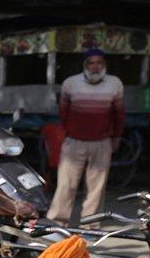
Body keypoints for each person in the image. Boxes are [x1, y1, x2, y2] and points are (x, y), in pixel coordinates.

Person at [45, 47, 124, 224]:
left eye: (99, 63)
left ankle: (91, 225)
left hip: (102, 142)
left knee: (96, 188)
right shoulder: (70, 83)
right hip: (74, 141)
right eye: (91, 63)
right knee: (66, 184)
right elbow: (63, 112)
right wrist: (69, 132)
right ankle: (57, 224)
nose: (95, 67)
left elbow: (119, 113)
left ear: (105, 65)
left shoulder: (115, 84)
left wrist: (117, 137)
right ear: (85, 65)